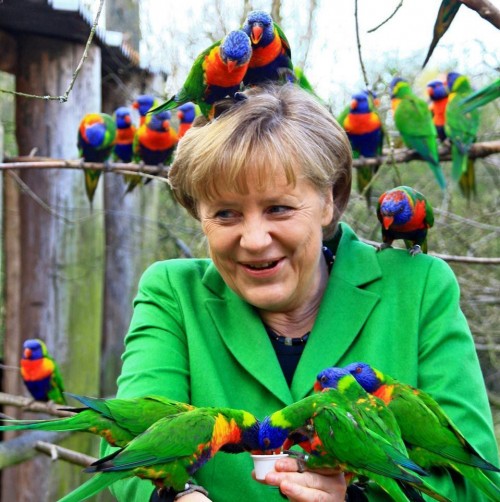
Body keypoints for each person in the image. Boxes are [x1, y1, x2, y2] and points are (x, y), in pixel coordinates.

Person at [104, 83, 498, 501]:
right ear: (199, 215)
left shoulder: (418, 287)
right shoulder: (172, 294)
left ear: (330, 199)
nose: (254, 239)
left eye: (279, 208)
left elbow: (477, 485)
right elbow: (128, 449)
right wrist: (180, 498)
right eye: (225, 213)